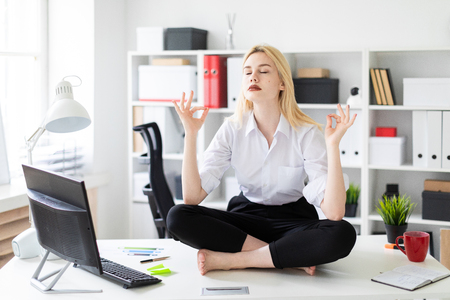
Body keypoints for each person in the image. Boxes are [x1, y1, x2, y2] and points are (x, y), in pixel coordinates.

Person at [167, 44, 357, 276]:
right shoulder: (232, 128)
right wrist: (191, 134)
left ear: (282, 83)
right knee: (178, 216)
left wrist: (333, 145)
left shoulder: (305, 132)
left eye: (263, 71)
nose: (253, 77)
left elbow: (335, 213)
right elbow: (192, 197)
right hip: (245, 221)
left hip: (293, 223)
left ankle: (236, 260)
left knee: (343, 233)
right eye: (247, 72)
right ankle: (287, 258)